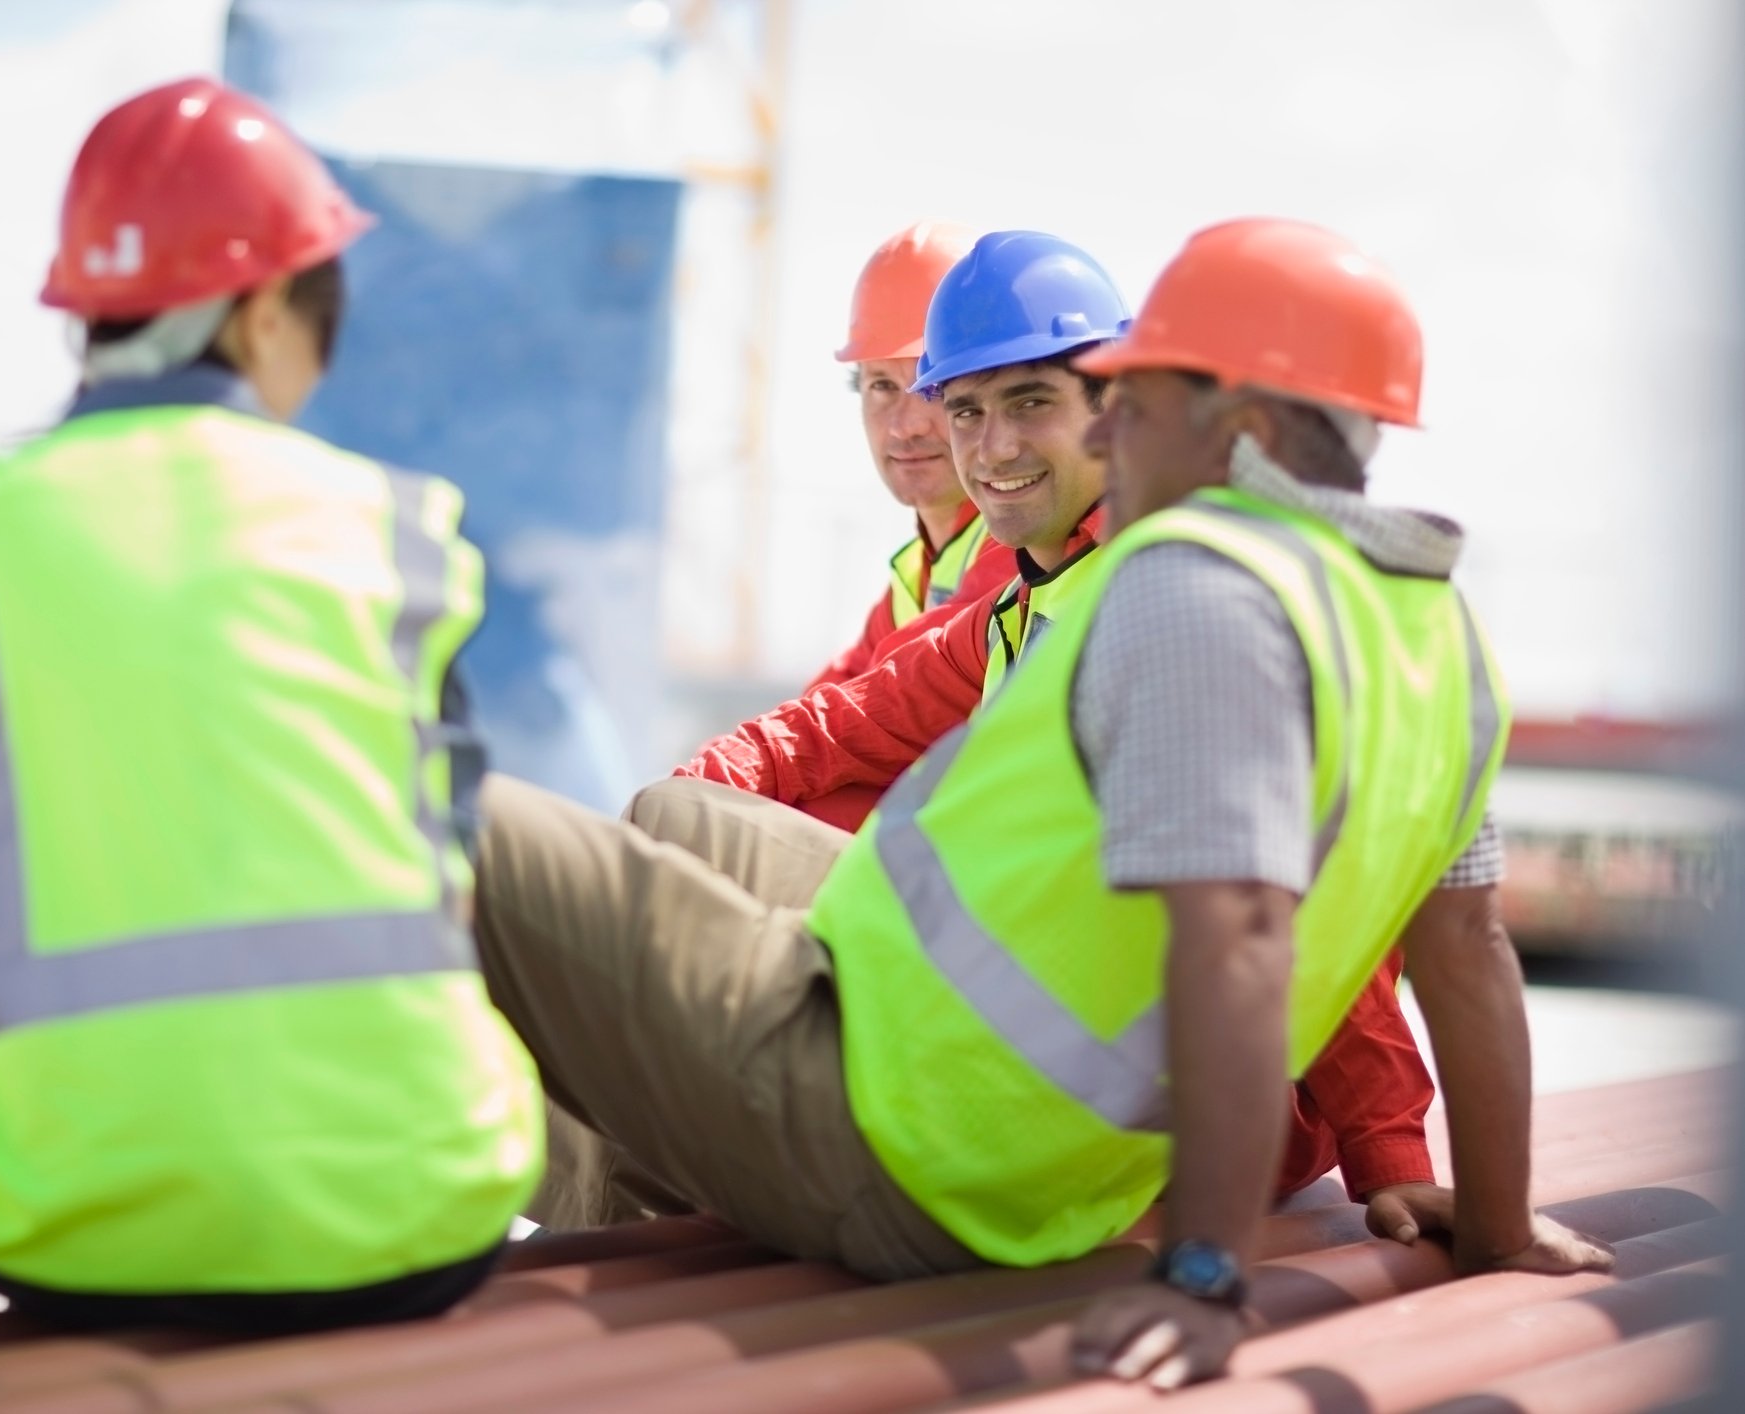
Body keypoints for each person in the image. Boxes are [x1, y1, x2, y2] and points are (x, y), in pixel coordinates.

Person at [468, 217, 1609, 1391]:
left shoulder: (1197, 594)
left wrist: (1211, 1269)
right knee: (680, 820)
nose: (1107, 432)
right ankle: (629, 1212)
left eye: (1134, 402)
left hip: (895, 1124)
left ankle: (461, 1259)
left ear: (1248, 432)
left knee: (463, 826)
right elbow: (1467, 947)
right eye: (961, 407)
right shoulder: (1437, 634)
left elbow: (1246, 939)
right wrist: (1500, 1224)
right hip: (981, 1117)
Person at [0, 77, 541, 1346]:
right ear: (264, 310)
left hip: (79, 1241)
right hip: (422, 1226)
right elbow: (442, 882)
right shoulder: (398, 534)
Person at [663, 231, 1439, 1220]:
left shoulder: (1169, 606)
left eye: (1029, 402)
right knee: (693, 835)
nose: (983, 445)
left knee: (660, 882)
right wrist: (705, 777)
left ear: (1116, 410)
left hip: (1158, 1089)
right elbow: (844, 717)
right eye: (961, 408)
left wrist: (1388, 1156)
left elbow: (1295, 900)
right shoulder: (1023, 601)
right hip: (1071, 1029)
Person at [806, 221, 1016, 696]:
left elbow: (886, 703)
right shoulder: (919, 571)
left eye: (931, 388)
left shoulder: (1021, 547)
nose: (906, 426)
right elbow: (836, 699)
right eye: (881, 385)